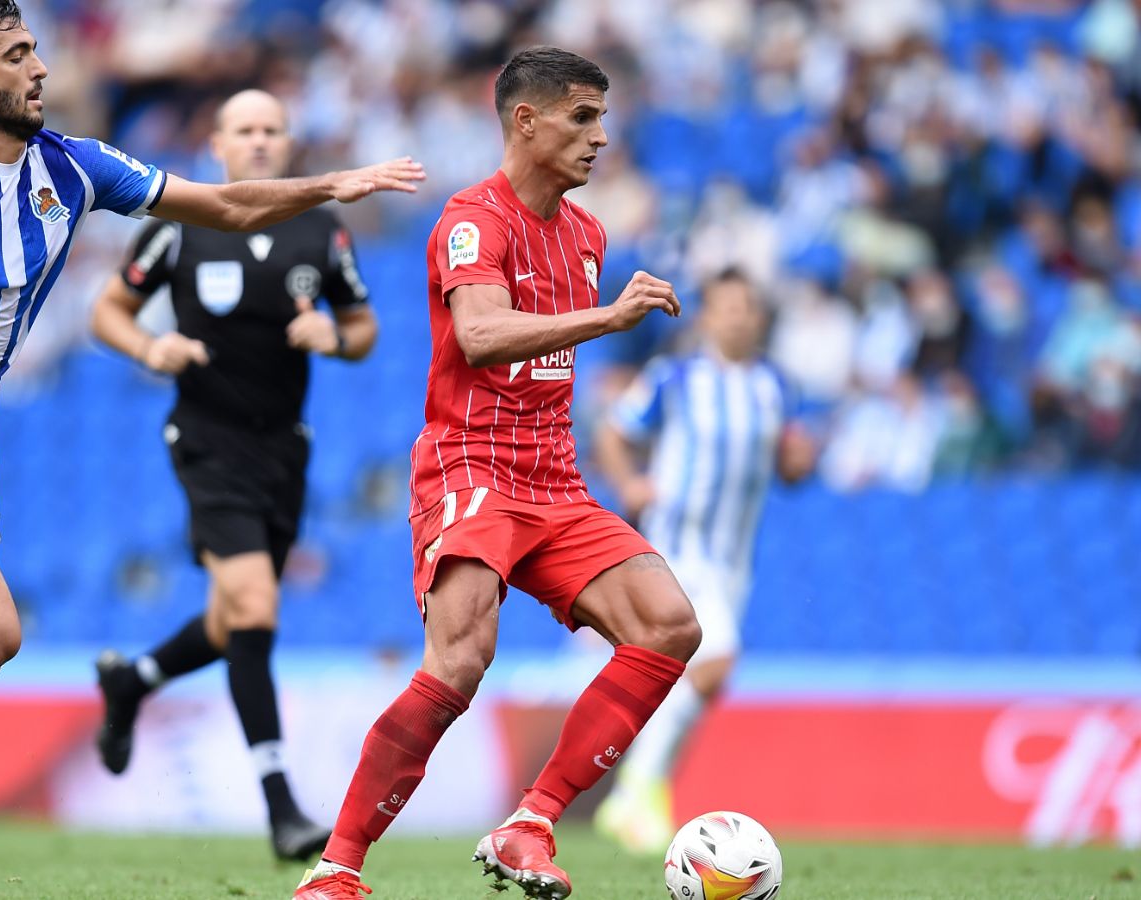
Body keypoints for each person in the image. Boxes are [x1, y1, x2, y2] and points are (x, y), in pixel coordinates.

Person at [0, 2, 423, 897]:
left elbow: (219, 203)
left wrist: (332, 183)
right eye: (17, 54)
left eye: (36, 49)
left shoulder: (71, 165)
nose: (40, 68)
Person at [294, 47, 701, 900]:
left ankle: (531, 821)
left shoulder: (586, 233)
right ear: (527, 119)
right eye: (581, 117)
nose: (600, 136)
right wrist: (610, 316)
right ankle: (337, 870)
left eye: (602, 117)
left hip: (554, 478)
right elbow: (480, 336)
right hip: (472, 465)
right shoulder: (472, 219)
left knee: (668, 625)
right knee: (462, 658)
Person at [87, 89, 378, 861]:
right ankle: (282, 807)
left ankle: (137, 679)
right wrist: (152, 350)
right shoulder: (181, 226)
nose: (257, 142)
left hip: (285, 450)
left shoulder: (321, 230)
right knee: (254, 607)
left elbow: (364, 327)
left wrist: (335, 336)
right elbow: (107, 311)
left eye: (271, 131)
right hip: (206, 440)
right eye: (243, 131)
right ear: (217, 145)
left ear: (288, 145)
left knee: (233, 620)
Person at [593, 268, 815, 854]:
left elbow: (791, 470)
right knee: (716, 661)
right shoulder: (676, 378)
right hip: (678, 544)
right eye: (725, 306)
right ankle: (636, 788)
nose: (737, 316)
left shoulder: (777, 386)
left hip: (734, 555)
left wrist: (799, 461)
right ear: (707, 316)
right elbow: (613, 432)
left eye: (747, 306)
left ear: (760, 317)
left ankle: (639, 794)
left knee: (698, 679)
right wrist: (630, 484)